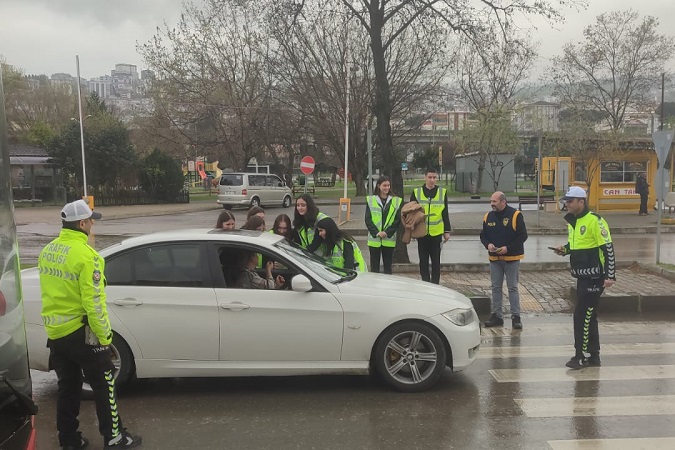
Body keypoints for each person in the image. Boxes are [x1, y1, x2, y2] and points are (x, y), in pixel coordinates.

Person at [38, 200, 141, 450]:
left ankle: (69, 439)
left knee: (68, 387)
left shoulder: (48, 251)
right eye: (91, 220)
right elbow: (94, 302)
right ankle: (114, 436)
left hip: (56, 333)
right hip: (80, 332)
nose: (93, 224)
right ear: (82, 223)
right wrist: (105, 338)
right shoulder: (87, 257)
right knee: (105, 383)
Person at [552, 186, 616, 370]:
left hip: (595, 276)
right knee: (589, 316)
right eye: (566, 201)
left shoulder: (595, 221)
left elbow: (608, 248)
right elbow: (576, 245)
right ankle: (593, 356)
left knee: (582, 316)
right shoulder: (573, 221)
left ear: (581, 202)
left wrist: (610, 275)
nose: (567, 204)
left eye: (570, 201)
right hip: (582, 275)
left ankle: (580, 356)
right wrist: (564, 250)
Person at [480, 191, 528, 329]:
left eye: (494, 202)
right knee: (495, 287)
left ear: (503, 202)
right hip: (495, 259)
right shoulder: (488, 217)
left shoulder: (515, 215)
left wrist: (508, 248)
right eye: (491, 201)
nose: (491, 204)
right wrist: (488, 245)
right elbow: (483, 235)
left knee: (512, 287)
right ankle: (497, 316)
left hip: (511, 258)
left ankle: (516, 317)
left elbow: (522, 236)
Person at [409, 168, 451, 284]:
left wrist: (446, 231)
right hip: (421, 233)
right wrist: (411, 229)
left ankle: (435, 284)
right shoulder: (417, 192)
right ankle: (425, 283)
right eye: (430, 177)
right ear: (425, 177)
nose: (432, 180)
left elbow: (445, 212)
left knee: (436, 261)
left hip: (436, 232)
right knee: (423, 261)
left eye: (434, 177)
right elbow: (411, 213)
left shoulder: (442, 192)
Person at [365, 176, 402, 274]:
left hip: (388, 239)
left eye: (388, 185)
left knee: (388, 267)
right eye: (384, 185)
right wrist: (377, 233)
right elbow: (368, 219)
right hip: (375, 239)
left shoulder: (396, 201)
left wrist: (386, 232)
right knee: (374, 268)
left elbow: (397, 220)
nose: (387, 188)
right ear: (378, 186)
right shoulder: (371, 200)